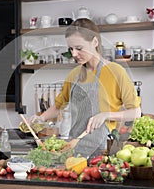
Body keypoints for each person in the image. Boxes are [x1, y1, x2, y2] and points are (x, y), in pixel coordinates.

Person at [29, 18, 141, 158]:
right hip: (74, 148)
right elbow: (58, 107)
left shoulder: (115, 72)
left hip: (103, 151)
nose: (74, 54)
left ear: (94, 42)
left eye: (79, 48)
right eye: (71, 49)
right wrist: (41, 118)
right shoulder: (74, 74)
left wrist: (107, 115)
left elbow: (136, 112)